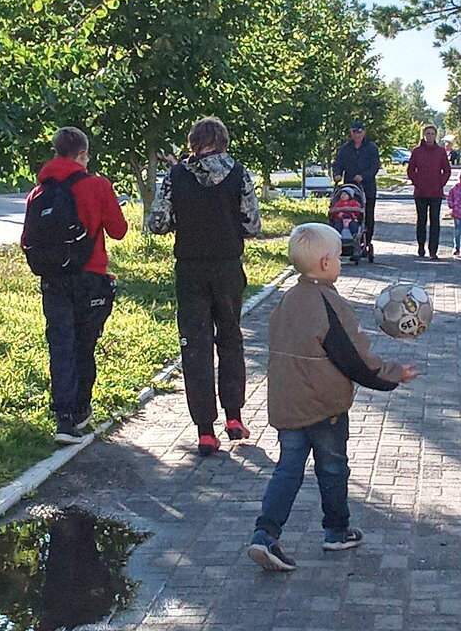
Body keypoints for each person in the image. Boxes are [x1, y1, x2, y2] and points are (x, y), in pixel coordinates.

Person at [248, 223, 418, 572]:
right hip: (324, 407)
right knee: (332, 467)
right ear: (325, 263)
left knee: (288, 470)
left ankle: (264, 535)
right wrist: (393, 374)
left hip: (287, 404)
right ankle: (336, 530)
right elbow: (355, 359)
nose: (342, 262)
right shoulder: (330, 305)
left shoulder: (287, 300)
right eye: (340, 256)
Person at [149, 117, 261, 457]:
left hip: (190, 270)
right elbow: (253, 225)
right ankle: (234, 417)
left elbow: (158, 223)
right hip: (227, 267)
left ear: (193, 142)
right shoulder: (240, 174)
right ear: (223, 141)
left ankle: (204, 431)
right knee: (230, 338)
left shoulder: (175, 176)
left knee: (195, 347)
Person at [24, 127, 128, 444]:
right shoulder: (97, 186)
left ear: (55, 152)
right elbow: (119, 230)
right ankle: (81, 408)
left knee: (60, 343)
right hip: (90, 278)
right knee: (85, 343)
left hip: (53, 279)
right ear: (82, 154)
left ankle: (63, 418)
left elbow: (27, 240)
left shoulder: (38, 193)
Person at [332, 121, 380, 255]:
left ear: (364, 132)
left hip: (367, 187)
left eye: (359, 131)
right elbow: (338, 164)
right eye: (354, 131)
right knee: (348, 213)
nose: (357, 134)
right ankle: (348, 242)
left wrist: (363, 176)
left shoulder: (371, 148)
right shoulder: (345, 149)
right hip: (350, 189)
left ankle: (366, 242)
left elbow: (375, 167)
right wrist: (337, 174)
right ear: (351, 133)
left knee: (367, 216)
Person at [407, 125, 451, 260]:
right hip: (420, 192)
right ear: (424, 135)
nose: (430, 136)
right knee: (421, 220)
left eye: (432, 133)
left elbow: (447, 170)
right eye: (428, 133)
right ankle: (421, 246)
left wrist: (440, 183)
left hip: (436, 192)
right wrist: (417, 182)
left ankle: (433, 250)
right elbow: (410, 170)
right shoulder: (417, 151)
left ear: (435, 135)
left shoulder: (440, 152)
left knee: (435, 221)